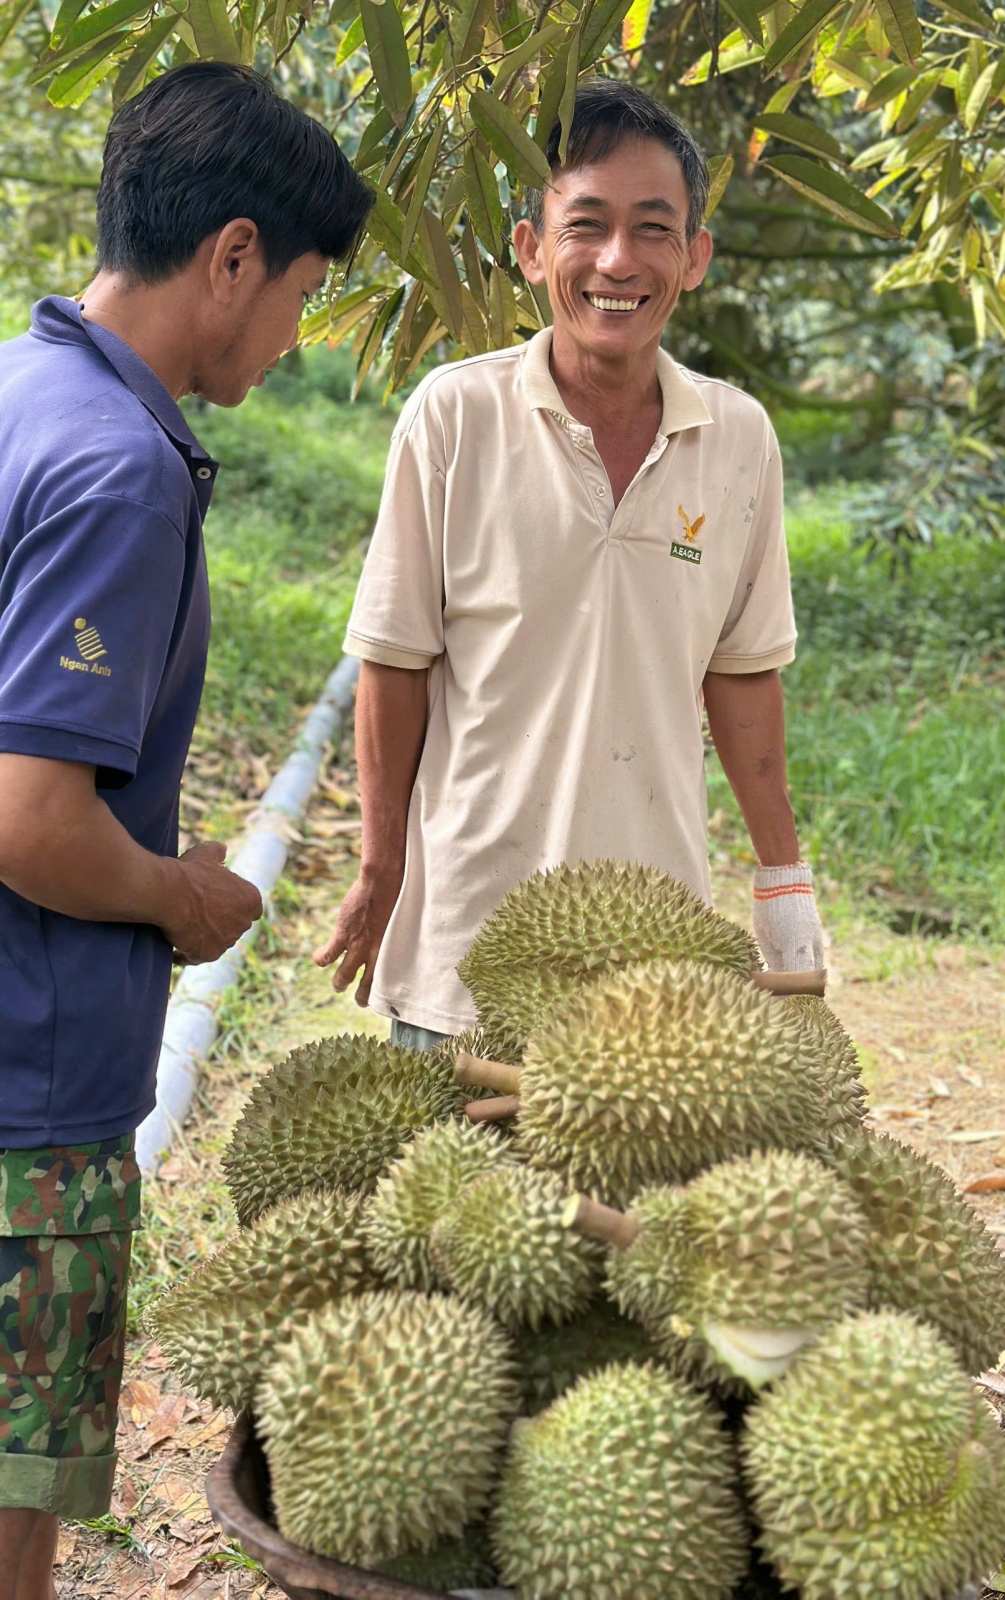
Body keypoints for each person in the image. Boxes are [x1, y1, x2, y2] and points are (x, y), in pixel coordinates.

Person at [0, 62, 372, 1600]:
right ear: (231, 255)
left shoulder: (23, 393)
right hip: (28, 1086)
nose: (297, 336)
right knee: (12, 1491)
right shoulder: (119, 472)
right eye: (301, 292)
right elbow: (30, 816)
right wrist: (185, 899)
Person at [317, 79, 823, 1050]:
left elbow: (744, 674)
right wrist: (383, 867)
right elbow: (393, 661)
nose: (617, 261)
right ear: (531, 249)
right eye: (585, 225)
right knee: (457, 1205)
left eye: (653, 229)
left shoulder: (740, 439)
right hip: (466, 945)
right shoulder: (452, 419)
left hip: (653, 956)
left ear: (696, 257)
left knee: (638, 1207)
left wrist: (783, 882)